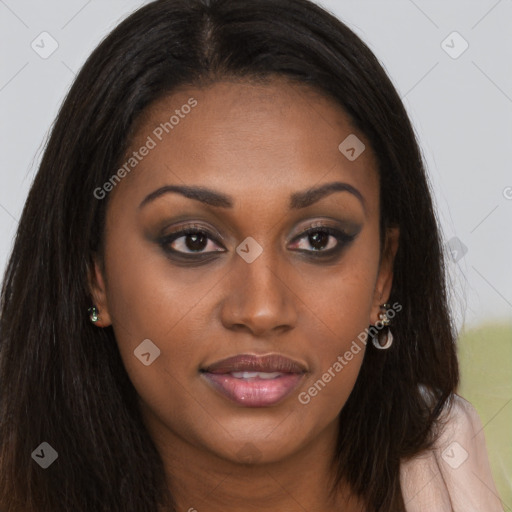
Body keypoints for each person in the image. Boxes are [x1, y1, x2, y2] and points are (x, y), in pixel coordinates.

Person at [0, 0, 504, 510]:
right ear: (96, 274)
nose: (261, 309)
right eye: (193, 241)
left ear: (383, 277)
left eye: (318, 239)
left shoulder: (451, 480)